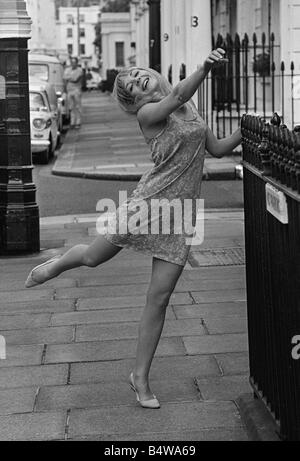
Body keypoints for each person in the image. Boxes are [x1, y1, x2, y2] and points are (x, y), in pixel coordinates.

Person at [25, 48, 242, 409]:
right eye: (132, 85)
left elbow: (217, 150)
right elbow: (177, 95)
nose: (139, 79)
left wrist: (246, 130)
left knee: (159, 298)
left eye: (140, 74)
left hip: (180, 213)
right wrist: (204, 67)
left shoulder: (192, 111)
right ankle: (58, 264)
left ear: (152, 73)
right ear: (136, 100)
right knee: (94, 257)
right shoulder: (149, 114)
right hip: (147, 204)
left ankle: (139, 377)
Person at [64, 57, 83, 129]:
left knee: (78, 106)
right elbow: (65, 78)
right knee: (71, 107)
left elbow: (76, 79)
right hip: (69, 90)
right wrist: (70, 78)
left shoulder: (80, 70)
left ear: (77, 63)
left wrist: (69, 78)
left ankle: (78, 122)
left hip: (76, 90)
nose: (73, 64)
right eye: (72, 62)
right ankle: (72, 122)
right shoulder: (67, 70)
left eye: (74, 62)